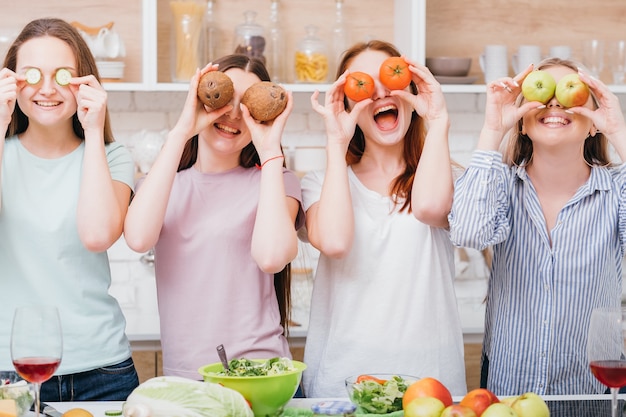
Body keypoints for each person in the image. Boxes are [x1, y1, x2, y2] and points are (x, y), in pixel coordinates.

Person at [448, 57, 626, 395]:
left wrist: (619, 131)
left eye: (569, 93)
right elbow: (468, 232)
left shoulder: (616, 190)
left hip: (591, 391)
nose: (555, 101)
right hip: (508, 391)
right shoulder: (499, 185)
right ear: (523, 123)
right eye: (543, 96)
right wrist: (493, 129)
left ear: (593, 124)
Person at [300, 40, 467, 397]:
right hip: (341, 384)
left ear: (411, 90)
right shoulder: (322, 182)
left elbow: (433, 208)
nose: (377, 93)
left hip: (429, 384)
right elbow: (334, 242)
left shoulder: (446, 178)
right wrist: (335, 144)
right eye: (362, 85)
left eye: (390, 80)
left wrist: (437, 122)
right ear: (346, 106)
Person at [123, 54, 305, 380]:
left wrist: (270, 149)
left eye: (247, 104)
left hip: (262, 375)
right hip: (187, 377)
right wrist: (182, 130)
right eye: (225, 99)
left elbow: (272, 257)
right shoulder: (164, 186)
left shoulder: (276, 180)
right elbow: (137, 239)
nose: (234, 114)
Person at [0, 18, 139, 400]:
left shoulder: (113, 156)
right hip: (9, 374)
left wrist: (93, 131)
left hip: (103, 372)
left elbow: (97, 235)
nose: (47, 89)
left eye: (62, 75)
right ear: (12, 80)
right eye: (32, 74)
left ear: (84, 83)